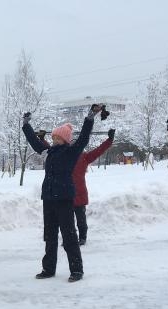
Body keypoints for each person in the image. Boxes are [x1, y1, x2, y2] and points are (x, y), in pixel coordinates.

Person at [22, 105, 101, 281]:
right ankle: (48, 269)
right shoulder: (48, 152)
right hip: (49, 198)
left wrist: (90, 118)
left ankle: (76, 270)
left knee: (69, 235)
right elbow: (35, 143)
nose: (54, 139)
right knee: (49, 236)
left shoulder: (71, 152)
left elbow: (83, 139)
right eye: (53, 137)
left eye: (57, 137)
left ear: (64, 139)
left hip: (64, 198)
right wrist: (26, 125)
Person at [72, 128, 114, 245]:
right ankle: (70, 237)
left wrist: (109, 140)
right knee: (67, 220)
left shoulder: (84, 157)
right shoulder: (65, 157)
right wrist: (42, 139)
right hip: (66, 194)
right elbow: (50, 150)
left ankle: (82, 237)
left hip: (79, 194)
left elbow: (99, 150)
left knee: (81, 219)